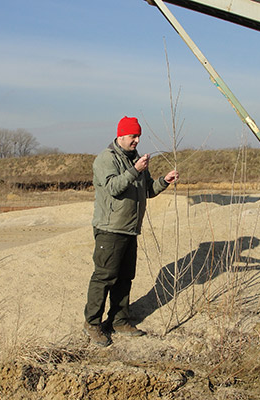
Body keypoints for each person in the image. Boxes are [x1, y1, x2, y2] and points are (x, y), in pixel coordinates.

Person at [83, 116, 179, 347]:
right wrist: (135, 170)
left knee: (125, 277)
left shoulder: (136, 159)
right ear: (121, 135)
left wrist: (164, 181)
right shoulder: (106, 159)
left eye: (138, 137)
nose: (136, 141)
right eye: (133, 136)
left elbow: (147, 191)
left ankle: (118, 321)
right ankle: (92, 324)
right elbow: (114, 188)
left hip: (130, 229)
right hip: (110, 229)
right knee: (104, 277)